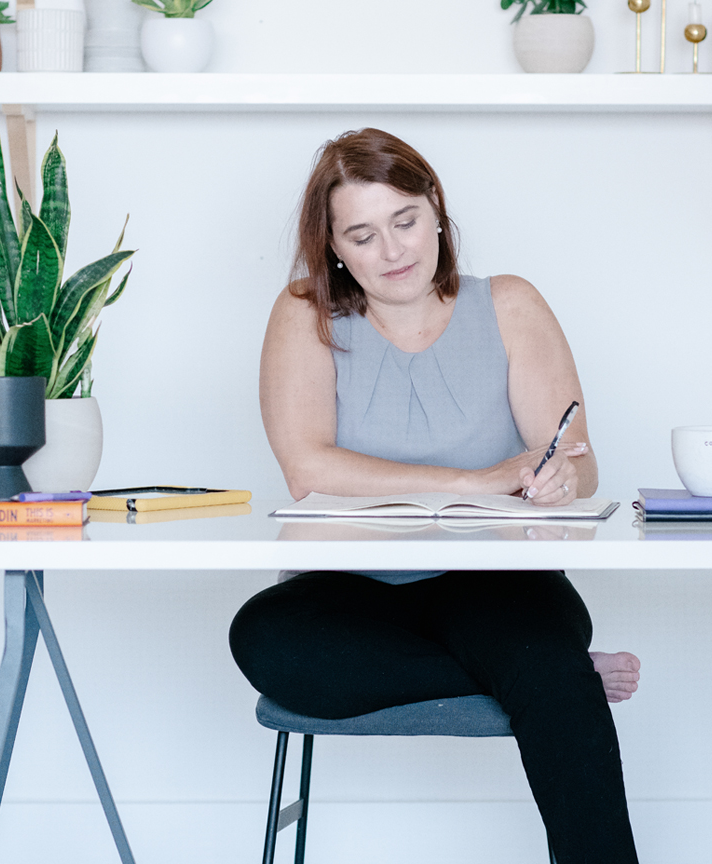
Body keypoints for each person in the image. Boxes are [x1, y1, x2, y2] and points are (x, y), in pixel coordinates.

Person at [230, 128, 641, 863]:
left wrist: (559, 479)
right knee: (262, 637)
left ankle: (546, 677)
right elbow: (307, 469)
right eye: (362, 234)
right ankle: (554, 677)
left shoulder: (510, 303)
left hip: (496, 584)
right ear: (334, 248)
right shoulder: (305, 313)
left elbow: (578, 459)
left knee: (533, 649)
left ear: (437, 212)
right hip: (347, 587)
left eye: (405, 221)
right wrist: (468, 481)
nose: (392, 252)